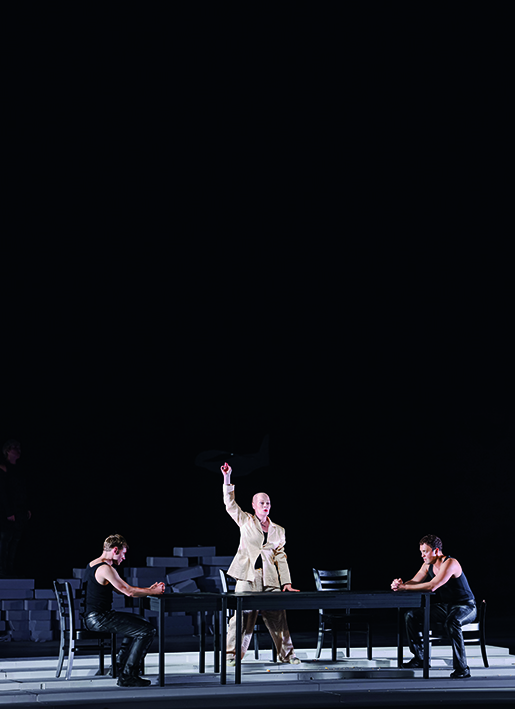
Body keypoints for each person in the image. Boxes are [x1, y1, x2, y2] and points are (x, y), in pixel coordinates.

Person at [221, 462, 301, 665]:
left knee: (278, 615)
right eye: (262, 502)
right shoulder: (245, 521)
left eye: (268, 503)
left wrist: (286, 582)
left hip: (270, 578)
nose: (266, 505)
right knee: (241, 616)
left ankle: (288, 655)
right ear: (254, 505)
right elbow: (230, 504)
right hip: (248, 576)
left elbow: (281, 557)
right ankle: (231, 656)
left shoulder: (278, 530)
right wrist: (227, 478)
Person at [83, 534, 165, 687]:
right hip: (99, 618)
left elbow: (122, 589)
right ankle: (128, 675)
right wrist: (154, 591)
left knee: (140, 622)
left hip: (95, 617)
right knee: (147, 631)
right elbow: (129, 592)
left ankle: (119, 666)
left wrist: (149, 590)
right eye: (123, 553)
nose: (124, 558)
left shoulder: (93, 564)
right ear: (115, 550)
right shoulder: (105, 568)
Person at [391, 534, 476, 678]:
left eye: (425, 552)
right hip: (446, 607)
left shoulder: (450, 563)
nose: (422, 555)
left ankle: (462, 669)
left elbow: (432, 586)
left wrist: (405, 588)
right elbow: (415, 581)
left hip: (466, 607)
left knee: (452, 622)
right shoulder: (427, 565)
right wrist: (400, 585)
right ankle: (420, 659)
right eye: (421, 552)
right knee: (410, 615)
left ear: (436, 551)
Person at [0, 440, 31, 577]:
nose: (18, 450)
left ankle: (10, 569)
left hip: (20, 510)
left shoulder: (20, 469)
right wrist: (9, 512)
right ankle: (2, 569)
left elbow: (23, 490)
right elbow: (3, 492)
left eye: (18, 448)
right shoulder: (3, 468)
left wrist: (26, 508)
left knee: (15, 541)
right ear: (7, 450)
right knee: (6, 540)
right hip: (8, 512)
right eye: (14, 448)